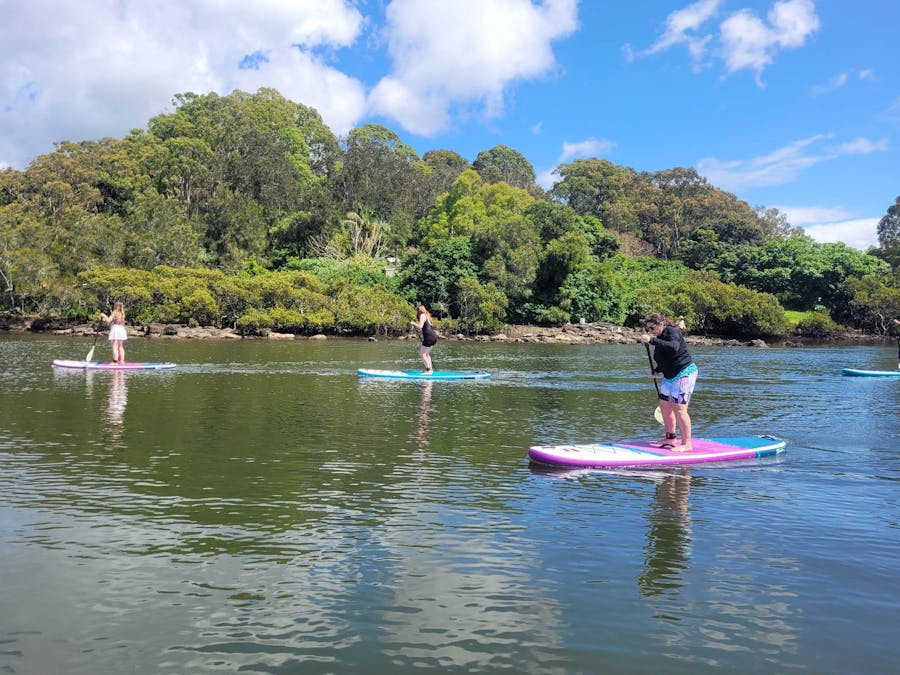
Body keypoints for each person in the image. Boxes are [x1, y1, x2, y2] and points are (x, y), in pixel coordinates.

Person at [640, 313, 698, 452]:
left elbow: (673, 347)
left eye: (652, 328)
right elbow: (665, 358)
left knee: (680, 408)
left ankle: (687, 443)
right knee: (665, 405)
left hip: (684, 373)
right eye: (647, 329)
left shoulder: (673, 332)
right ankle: (670, 438)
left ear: (661, 324)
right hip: (669, 375)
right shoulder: (659, 337)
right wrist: (657, 370)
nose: (650, 331)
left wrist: (652, 340)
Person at [410, 304, 438, 373]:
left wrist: (413, 323)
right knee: (426, 354)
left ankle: (429, 370)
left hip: (429, 337)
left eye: (417, 311)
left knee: (422, 353)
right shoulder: (427, 316)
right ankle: (430, 369)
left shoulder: (422, 315)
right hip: (433, 336)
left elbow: (420, 326)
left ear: (419, 310)